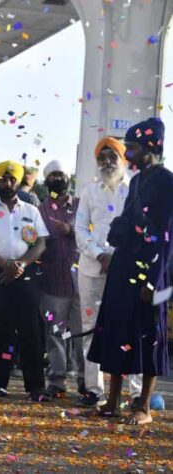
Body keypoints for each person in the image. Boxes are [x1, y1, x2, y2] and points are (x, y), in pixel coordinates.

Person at [87, 118, 171, 425]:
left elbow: (166, 238)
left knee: (148, 336)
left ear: (151, 149)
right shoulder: (136, 181)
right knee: (116, 332)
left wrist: (153, 280)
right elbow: (127, 219)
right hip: (124, 265)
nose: (128, 155)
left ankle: (144, 407)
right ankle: (112, 402)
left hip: (150, 270)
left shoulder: (166, 181)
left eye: (132, 148)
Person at [0, 160, 50, 401]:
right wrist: (4, 264)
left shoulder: (31, 211)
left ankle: (36, 387)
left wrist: (20, 264)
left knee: (31, 330)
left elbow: (41, 244)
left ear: (18, 181)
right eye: (3, 179)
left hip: (25, 274)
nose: (7, 183)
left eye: (11, 179)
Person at [74, 137, 143, 408]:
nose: (106, 162)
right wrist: (100, 255)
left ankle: (135, 393)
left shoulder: (134, 191)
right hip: (92, 269)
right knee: (91, 329)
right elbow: (80, 230)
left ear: (123, 159)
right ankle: (95, 390)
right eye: (101, 157)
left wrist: (116, 258)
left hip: (124, 271)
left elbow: (140, 230)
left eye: (111, 156)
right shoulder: (90, 192)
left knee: (130, 328)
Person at [37, 160, 83, 398]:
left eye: (60, 175)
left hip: (82, 281)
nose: (57, 179)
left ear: (68, 178)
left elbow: (92, 231)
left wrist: (71, 230)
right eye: (52, 176)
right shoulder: (40, 210)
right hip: (52, 282)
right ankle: (57, 380)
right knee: (55, 333)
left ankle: (87, 382)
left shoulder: (81, 205)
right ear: (47, 181)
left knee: (81, 333)